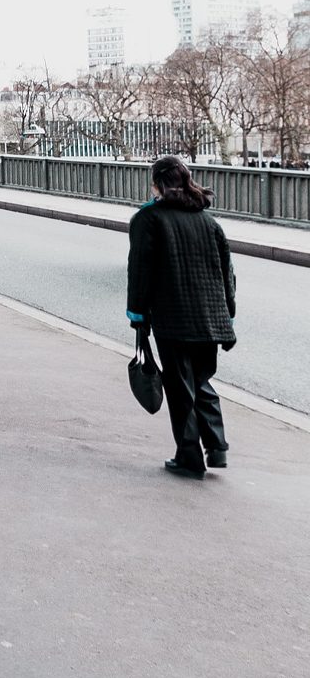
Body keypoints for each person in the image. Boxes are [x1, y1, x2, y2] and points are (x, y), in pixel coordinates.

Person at [126, 155, 237, 479]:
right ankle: (217, 447)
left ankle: (189, 457)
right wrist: (227, 312)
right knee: (201, 381)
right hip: (211, 319)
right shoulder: (208, 221)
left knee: (179, 386)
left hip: (173, 319)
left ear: (158, 184)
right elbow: (226, 272)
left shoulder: (149, 219)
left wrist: (137, 313)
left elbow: (140, 271)